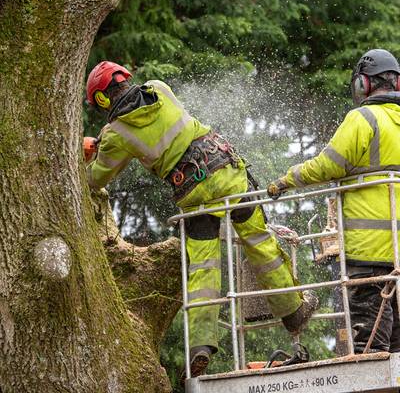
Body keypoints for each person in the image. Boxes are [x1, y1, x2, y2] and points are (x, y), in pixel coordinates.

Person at [84, 61, 319, 378]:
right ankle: (293, 311)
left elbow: (95, 178)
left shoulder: (117, 135)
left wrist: (90, 151)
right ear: (126, 78)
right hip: (227, 172)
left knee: (202, 269)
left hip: (192, 192)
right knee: (260, 243)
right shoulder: (159, 89)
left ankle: (200, 346)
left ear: (101, 100)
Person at [268, 49, 400, 354]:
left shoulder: (363, 118)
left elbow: (328, 165)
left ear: (364, 86)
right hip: (397, 252)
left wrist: (285, 180)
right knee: (394, 342)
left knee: (371, 345)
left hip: (368, 251)